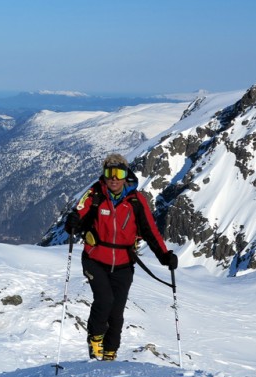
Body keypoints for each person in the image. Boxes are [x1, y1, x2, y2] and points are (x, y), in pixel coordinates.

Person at [64, 153, 178, 361]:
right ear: (104, 174)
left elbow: (150, 231)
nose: (114, 178)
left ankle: (110, 351)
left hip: (124, 263)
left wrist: (165, 256)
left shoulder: (136, 201)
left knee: (116, 311)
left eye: (118, 173)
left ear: (126, 175)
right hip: (95, 259)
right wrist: (72, 222)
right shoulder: (94, 195)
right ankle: (95, 338)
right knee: (105, 299)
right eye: (109, 173)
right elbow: (78, 215)